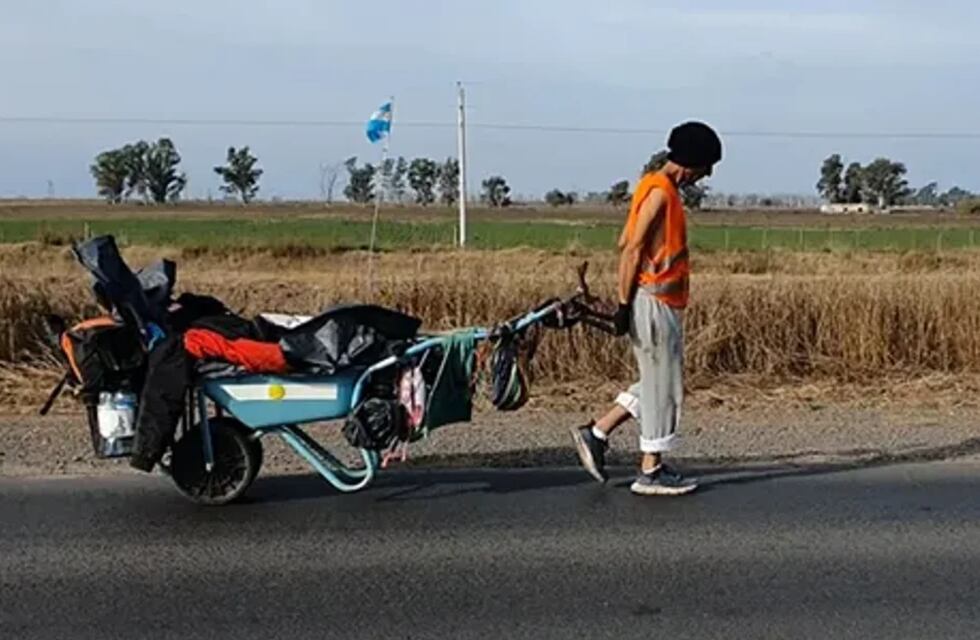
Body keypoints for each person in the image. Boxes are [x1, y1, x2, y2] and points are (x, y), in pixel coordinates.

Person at [572, 121, 722, 496]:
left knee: (658, 380)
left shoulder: (655, 187)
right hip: (653, 301)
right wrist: (623, 305)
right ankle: (650, 471)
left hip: (660, 301)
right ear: (690, 163)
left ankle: (597, 433)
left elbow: (627, 238)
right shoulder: (659, 193)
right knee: (664, 388)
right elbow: (632, 248)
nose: (706, 176)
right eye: (706, 168)